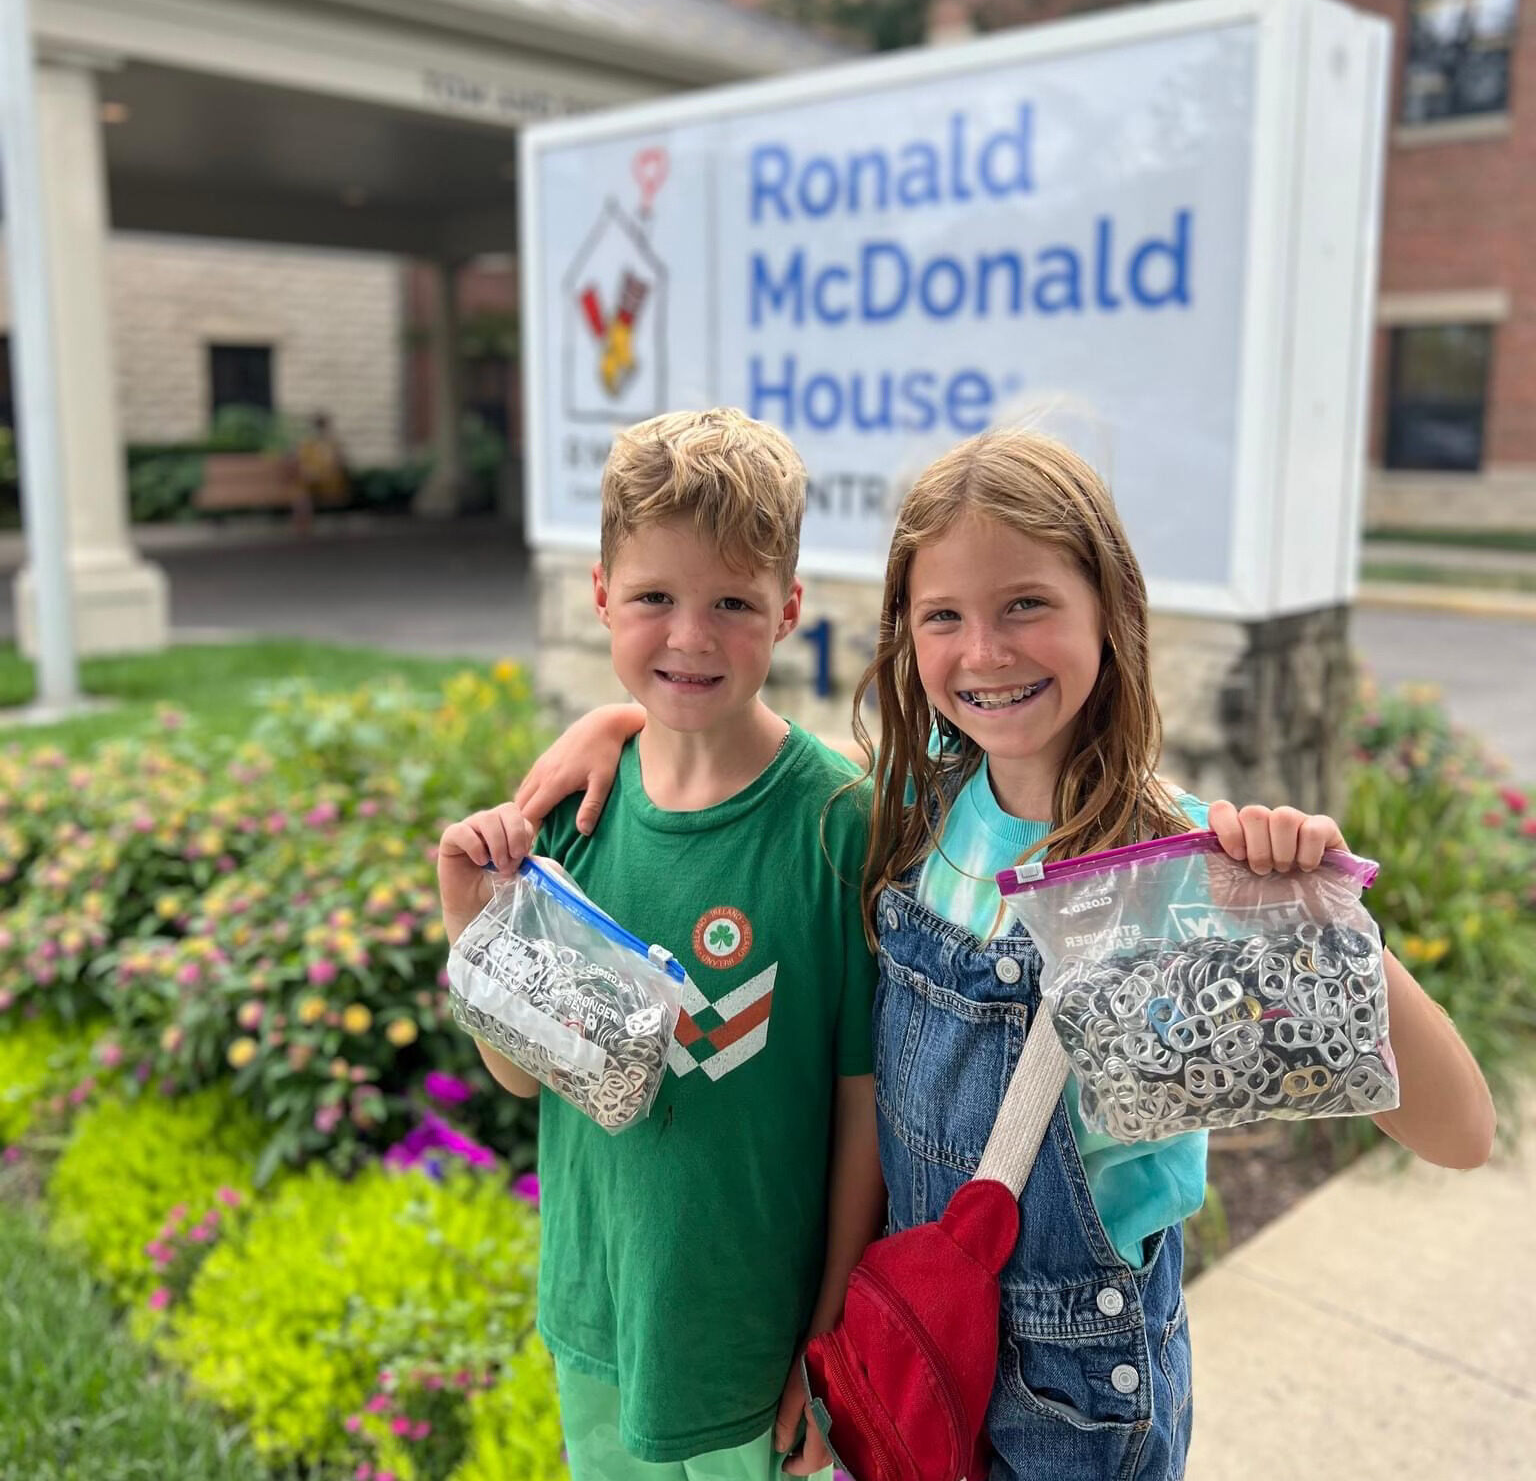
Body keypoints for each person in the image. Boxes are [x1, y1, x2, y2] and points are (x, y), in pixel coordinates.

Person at [516, 429, 1496, 1481]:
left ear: (1110, 612)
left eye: (1026, 604)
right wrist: (617, 722)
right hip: (918, 1355)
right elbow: (726, 737)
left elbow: (1459, 1131)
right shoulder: (919, 811)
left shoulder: (1181, 874)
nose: (984, 652)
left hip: (1080, 1399)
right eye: (945, 617)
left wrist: (1314, 919)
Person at [435, 408, 883, 1481]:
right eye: (653, 599)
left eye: (732, 601)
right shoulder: (571, 818)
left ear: (789, 611)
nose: (690, 636)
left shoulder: (837, 825)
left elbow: (867, 1113)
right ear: (600, 597)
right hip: (600, 1320)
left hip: (755, 1347)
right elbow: (523, 1074)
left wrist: (823, 1346)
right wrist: (475, 923)